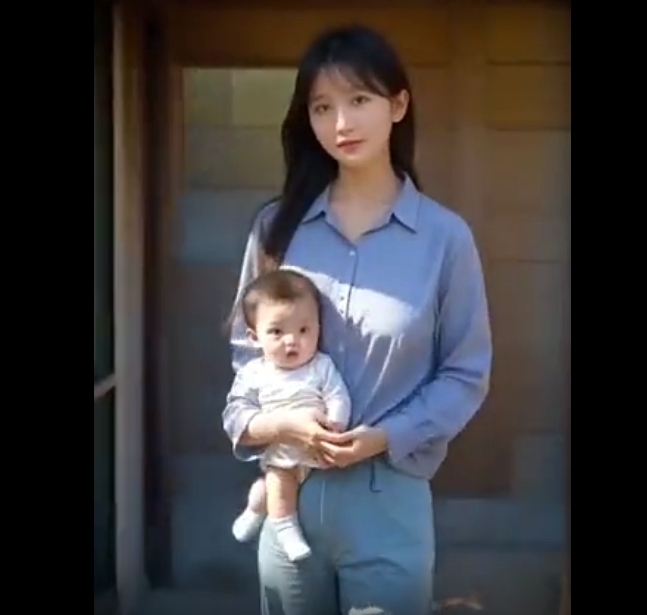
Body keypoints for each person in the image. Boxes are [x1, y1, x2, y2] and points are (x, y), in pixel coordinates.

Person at [223, 23, 492, 615]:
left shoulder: (445, 238)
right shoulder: (276, 230)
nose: (341, 123)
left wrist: (385, 437)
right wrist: (278, 425)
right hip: (288, 494)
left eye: (359, 99)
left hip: (388, 496)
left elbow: (465, 373)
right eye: (322, 107)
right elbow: (247, 355)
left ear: (398, 105)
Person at [229, 268, 352, 563]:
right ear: (254, 337)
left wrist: (336, 423)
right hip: (282, 452)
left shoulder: (321, 366)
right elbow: (239, 411)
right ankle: (285, 528)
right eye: (277, 332)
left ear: (319, 329)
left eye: (304, 330)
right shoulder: (254, 373)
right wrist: (277, 426)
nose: (291, 341)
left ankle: (255, 508)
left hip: (321, 448)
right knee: (280, 482)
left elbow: (338, 395)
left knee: (269, 491)